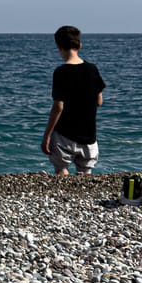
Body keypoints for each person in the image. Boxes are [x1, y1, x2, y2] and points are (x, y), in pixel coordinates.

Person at [41, 25, 105, 175]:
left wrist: (47, 136)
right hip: (89, 136)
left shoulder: (61, 72)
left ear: (59, 46)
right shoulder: (92, 69)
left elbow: (58, 107)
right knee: (85, 172)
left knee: (61, 168)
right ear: (80, 45)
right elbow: (99, 101)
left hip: (65, 135)